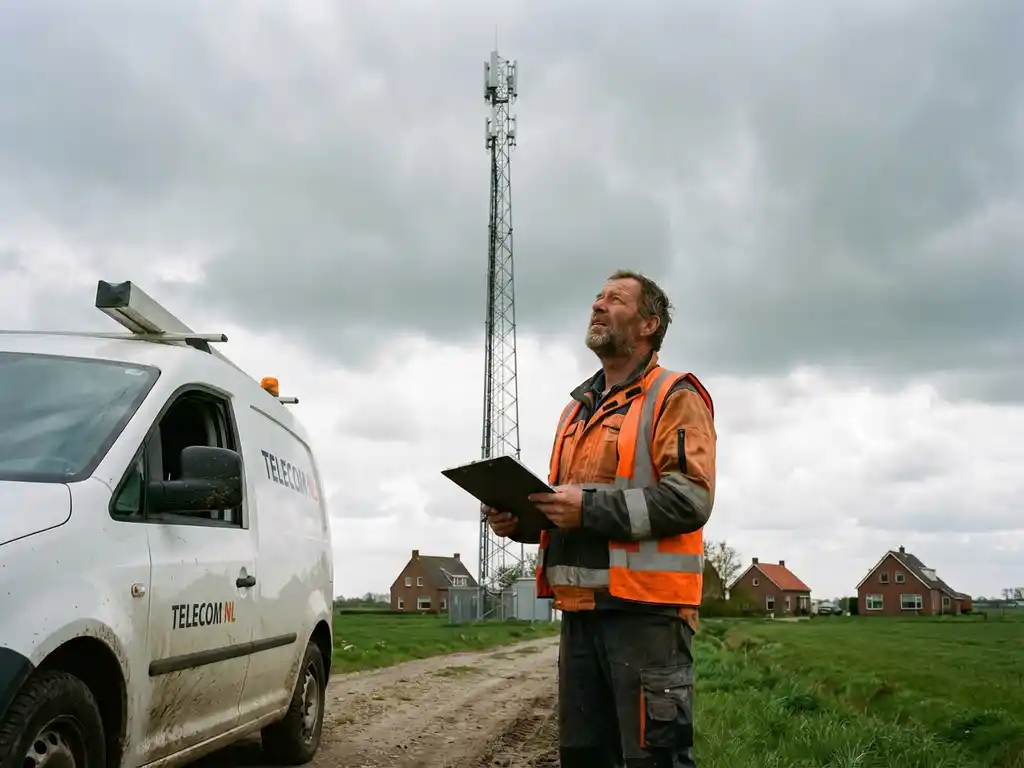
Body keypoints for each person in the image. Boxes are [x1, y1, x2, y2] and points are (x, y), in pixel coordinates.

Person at [485, 269, 716, 768]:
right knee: (584, 757)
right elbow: (563, 510)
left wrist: (585, 509)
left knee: (653, 759)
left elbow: (690, 499)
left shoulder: (675, 395)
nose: (597, 305)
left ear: (649, 324)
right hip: (581, 612)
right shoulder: (576, 411)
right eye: (596, 297)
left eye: (614, 299)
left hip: (648, 616)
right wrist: (520, 521)